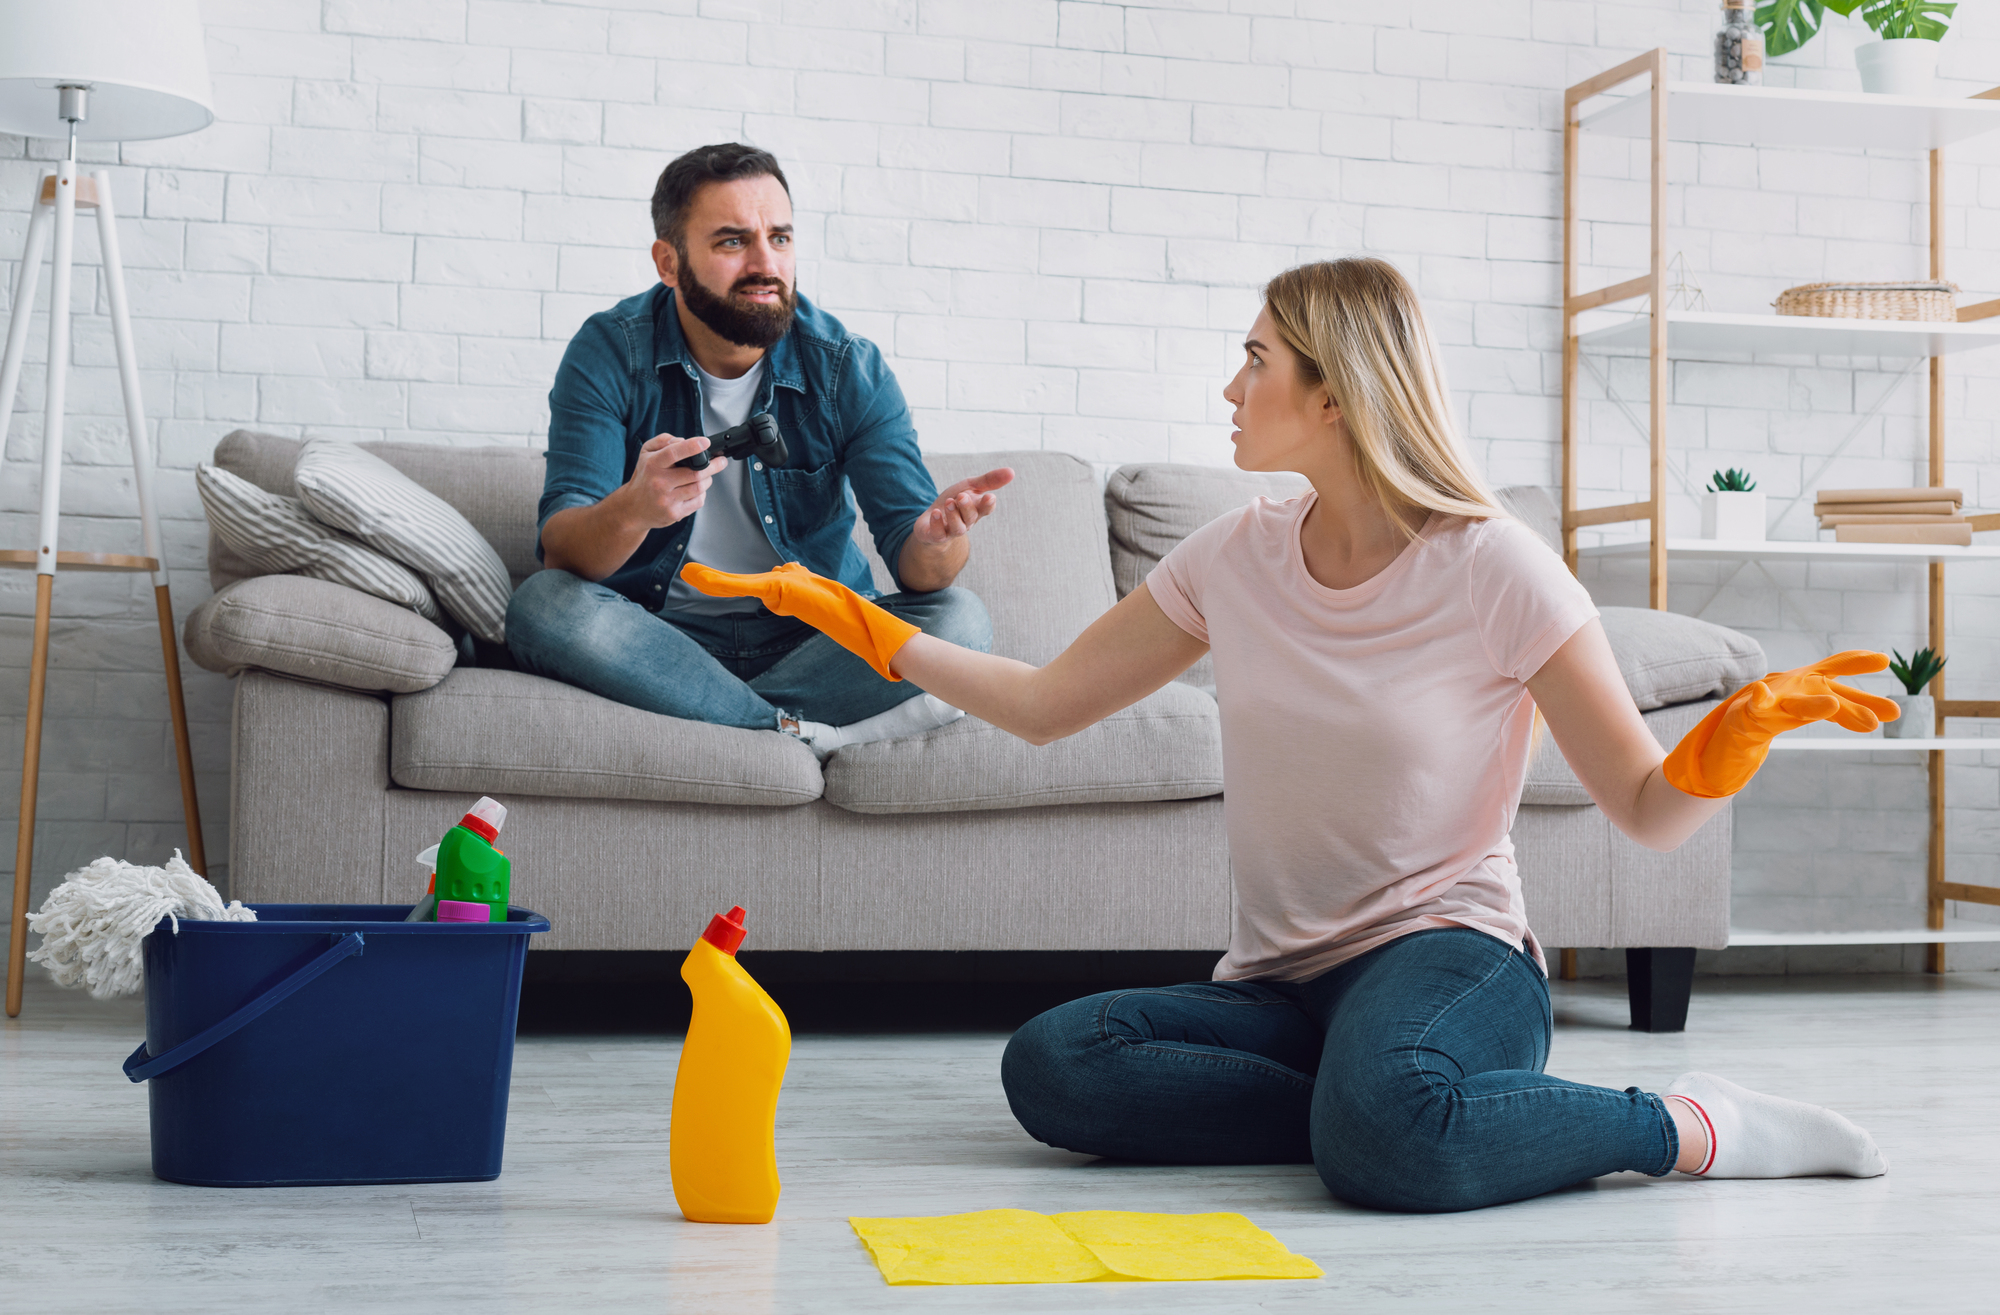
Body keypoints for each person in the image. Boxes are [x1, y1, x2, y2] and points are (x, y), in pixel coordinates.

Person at [676, 257, 1895, 1212]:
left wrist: (1729, 739)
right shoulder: (1238, 555)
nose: (1227, 387)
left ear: (1334, 392)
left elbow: (1642, 808)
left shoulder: (1494, 570)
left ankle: (1688, 1126)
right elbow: (1046, 708)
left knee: (1387, 1150)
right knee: (1054, 1064)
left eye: (1252, 360)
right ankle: (1379, 1103)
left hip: (1447, 955)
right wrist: (855, 621)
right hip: (1278, 985)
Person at [506, 142, 1013, 757]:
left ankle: (729, 721)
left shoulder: (846, 367)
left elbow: (919, 571)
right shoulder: (612, 351)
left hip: (816, 641)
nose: (764, 264)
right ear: (669, 262)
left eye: (779, 238)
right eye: (731, 242)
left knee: (960, 619)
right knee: (543, 607)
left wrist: (938, 539)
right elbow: (563, 553)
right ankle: (793, 736)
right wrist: (634, 509)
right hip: (661, 640)